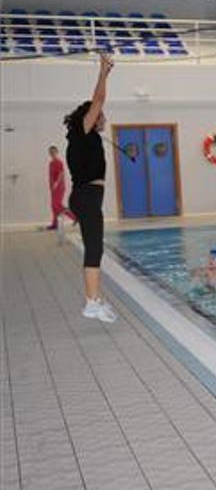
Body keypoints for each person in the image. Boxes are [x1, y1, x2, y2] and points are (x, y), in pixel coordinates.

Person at [66, 54, 116, 322]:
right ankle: (91, 303)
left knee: (94, 247)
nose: (103, 118)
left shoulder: (87, 138)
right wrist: (103, 72)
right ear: (90, 118)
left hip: (87, 197)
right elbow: (98, 101)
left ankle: (94, 299)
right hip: (86, 196)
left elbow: (97, 105)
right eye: (101, 116)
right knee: (94, 249)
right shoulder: (81, 132)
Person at [46, 145, 77, 231]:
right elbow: (51, 175)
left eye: (53, 152)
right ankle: (54, 224)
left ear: (56, 152)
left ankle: (75, 217)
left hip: (59, 187)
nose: (52, 154)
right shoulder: (51, 163)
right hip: (53, 188)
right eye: (50, 152)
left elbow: (61, 173)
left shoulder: (59, 162)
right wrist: (52, 185)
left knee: (57, 205)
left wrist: (56, 183)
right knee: (53, 206)